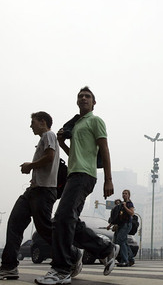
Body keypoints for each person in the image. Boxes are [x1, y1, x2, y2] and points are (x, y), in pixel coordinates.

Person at [35, 87, 119, 285]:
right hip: (74, 174)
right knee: (67, 219)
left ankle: (62, 269)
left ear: (93, 102)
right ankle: (105, 248)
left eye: (87, 96)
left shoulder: (95, 121)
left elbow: (104, 149)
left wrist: (108, 178)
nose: (83, 98)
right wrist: (62, 143)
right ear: (77, 101)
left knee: (63, 218)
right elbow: (74, 153)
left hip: (85, 174)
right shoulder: (77, 124)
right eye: (80, 96)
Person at [0, 112, 61, 280]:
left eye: (33, 122)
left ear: (43, 122)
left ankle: (69, 254)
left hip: (44, 191)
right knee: (14, 223)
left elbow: (50, 157)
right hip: (33, 191)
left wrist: (30, 165)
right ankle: (9, 267)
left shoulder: (49, 135)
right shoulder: (43, 139)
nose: (30, 126)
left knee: (45, 229)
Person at [115, 189, 135, 267]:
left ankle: (125, 260)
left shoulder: (129, 203)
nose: (124, 195)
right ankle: (131, 259)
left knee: (120, 240)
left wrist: (125, 207)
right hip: (122, 224)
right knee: (124, 242)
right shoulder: (122, 204)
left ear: (129, 195)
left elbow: (132, 213)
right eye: (123, 193)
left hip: (127, 224)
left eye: (126, 193)